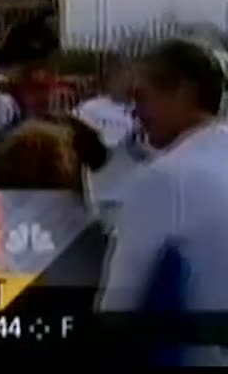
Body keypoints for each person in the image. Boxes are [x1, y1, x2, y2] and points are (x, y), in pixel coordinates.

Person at [98, 38, 228, 365]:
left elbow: (118, 307)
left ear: (182, 92)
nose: (134, 111)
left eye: (142, 97)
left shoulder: (164, 179)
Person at [74, 60, 138, 148]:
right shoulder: (89, 107)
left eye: (126, 79)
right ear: (108, 82)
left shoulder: (143, 111)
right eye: (115, 79)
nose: (121, 84)